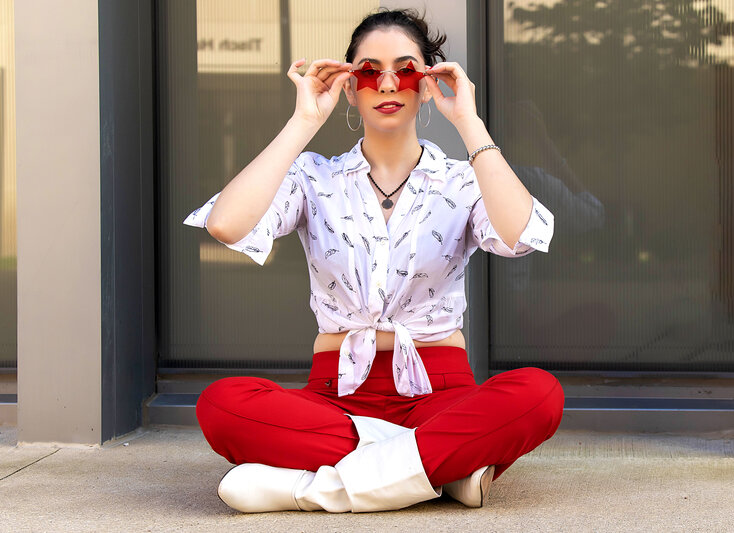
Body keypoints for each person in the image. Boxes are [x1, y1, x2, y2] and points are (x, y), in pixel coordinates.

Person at [183, 8, 564, 514]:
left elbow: (519, 235)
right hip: (333, 395)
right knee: (220, 405)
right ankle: (443, 472)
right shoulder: (312, 178)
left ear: (426, 84)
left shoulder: (462, 180)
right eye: (368, 70)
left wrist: (470, 125)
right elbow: (226, 225)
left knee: (538, 394)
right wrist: (303, 123)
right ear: (349, 86)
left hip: (440, 391)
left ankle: (312, 488)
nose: (387, 83)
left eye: (406, 70)